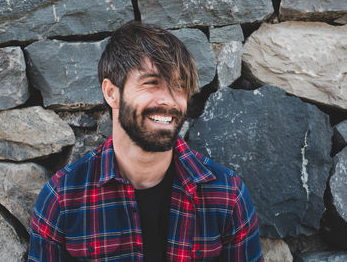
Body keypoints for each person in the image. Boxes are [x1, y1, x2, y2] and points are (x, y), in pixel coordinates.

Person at [29, 21, 262, 262]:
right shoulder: (63, 197)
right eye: (151, 83)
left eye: (179, 87)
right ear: (111, 93)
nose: (169, 100)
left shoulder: (226, 193)